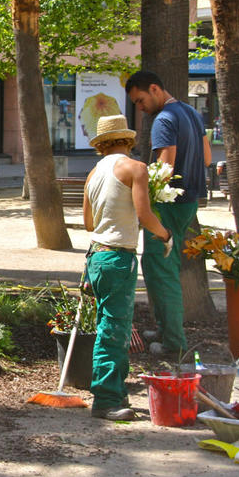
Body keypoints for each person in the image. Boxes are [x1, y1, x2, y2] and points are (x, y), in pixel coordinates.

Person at [83, 115, 173, 420]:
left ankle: (114, 392)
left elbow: (88, 223)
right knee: (114, 330)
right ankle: (107, 399)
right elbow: (145, 214)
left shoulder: (94, 172)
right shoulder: (136, 168)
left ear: (102, 143)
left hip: (95, 256)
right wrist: (165, 234)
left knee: (109, 326)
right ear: (128, 140)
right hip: (118, 257)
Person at [126, 70, 211, 355]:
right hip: (190, 200)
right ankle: (163, 329)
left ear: (154, 89)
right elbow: (208, 157)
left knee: (162, 271)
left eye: (140, 100)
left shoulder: (163, 119)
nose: (140, 108)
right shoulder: (191, 112)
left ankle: (174, 342)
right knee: (160, 267)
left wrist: (140, 193)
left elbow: (165, 168)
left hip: (167, 204)